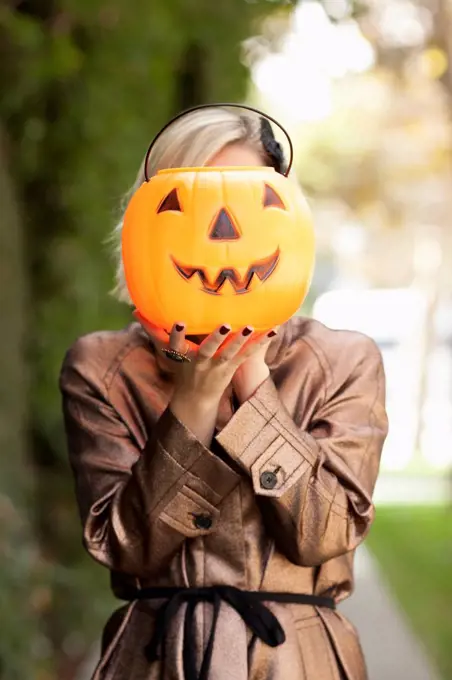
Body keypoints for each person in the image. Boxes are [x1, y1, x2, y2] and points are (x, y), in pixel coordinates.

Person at [59, 105, 388, 680]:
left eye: (246, 201)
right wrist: (192, 402)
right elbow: (123, 547)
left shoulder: (341, 360)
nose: (223, 233)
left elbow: (326, 536)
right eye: (190, 204)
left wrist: (253, 383)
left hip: (297, 663)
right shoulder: (104, 366)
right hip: (157, 660)